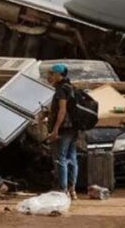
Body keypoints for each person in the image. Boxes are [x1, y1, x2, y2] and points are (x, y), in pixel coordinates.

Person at [45, 64, 79, 200]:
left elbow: (62, 110)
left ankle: (63, 190)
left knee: (61, 158)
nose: (50, 76)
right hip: (74, 128)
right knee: (73, 158)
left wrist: (55, 129)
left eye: (52, 74)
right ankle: (73, 190)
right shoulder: (71, 87)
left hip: (64, 129)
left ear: (59, 75)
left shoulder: (61, 90)